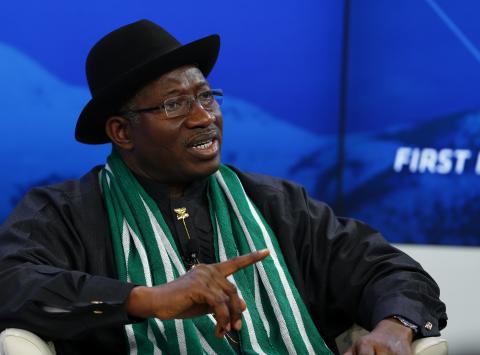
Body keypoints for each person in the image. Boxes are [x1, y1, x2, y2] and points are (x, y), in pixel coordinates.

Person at [0, 19, 446, 355]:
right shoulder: (65, 214)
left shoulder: (278, 206)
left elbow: (389, 271)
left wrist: (394, 326)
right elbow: (12, 283)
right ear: (122, 131)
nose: (203, 117)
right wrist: (146, 300)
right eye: (175, 104)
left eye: (206, 96)